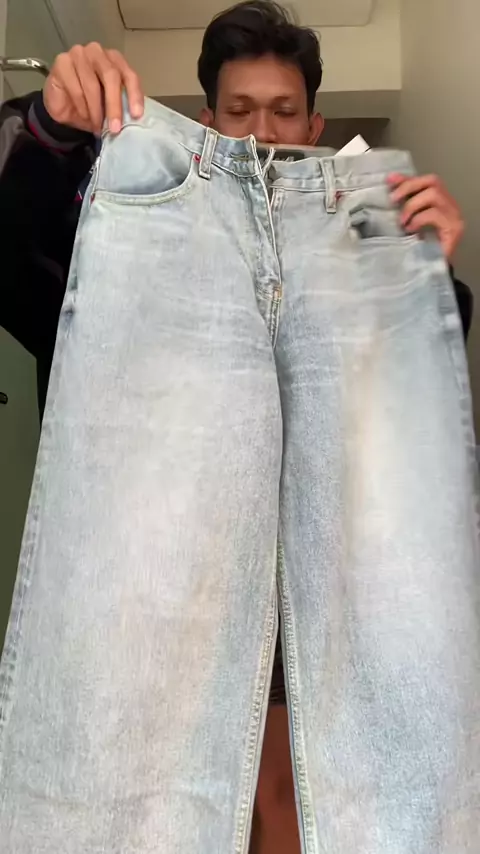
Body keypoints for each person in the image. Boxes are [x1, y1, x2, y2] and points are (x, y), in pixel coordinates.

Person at [0, 2, 473, 852]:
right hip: (168, 598)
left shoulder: (363, 231)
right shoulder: (140, 226)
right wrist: (50, 130)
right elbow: (14, 267)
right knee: (153, 776)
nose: (263, 129)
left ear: (315, 125)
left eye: (283, 111)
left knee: (302, 795)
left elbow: (390, 429)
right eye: (241, 109)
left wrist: (426, 283)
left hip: (327, 592)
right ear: (208, 121)